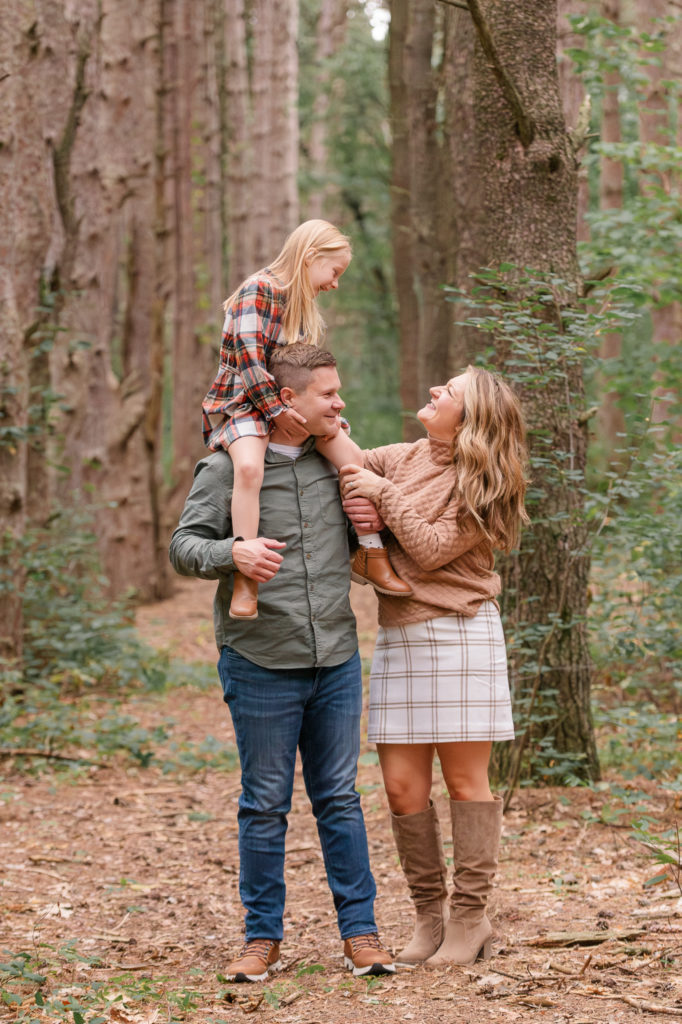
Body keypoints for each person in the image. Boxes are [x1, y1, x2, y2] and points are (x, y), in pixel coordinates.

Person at [170, 343, 395, 982]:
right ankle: (260, 939)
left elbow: (380, 530)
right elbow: (183, 547)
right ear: (287, 399)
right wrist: (232, 557)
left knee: (340, 801)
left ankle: (362, 935)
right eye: (328, 393)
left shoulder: (341, 464)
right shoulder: (227, 468)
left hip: (337, 659)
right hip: (260, 659)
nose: (341, 402)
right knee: (265, 804)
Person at [339, 366, 529, 968]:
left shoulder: (486, 483)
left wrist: (379, 494)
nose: (432, 392)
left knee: (465, 783)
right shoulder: (407, 454)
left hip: (462, 633)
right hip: (400, 635)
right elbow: (347, 458)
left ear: (471, 418)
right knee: (401, 788)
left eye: (447, 392)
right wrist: (319, 424)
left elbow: (426, 547)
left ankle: (470, 918)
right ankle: (430, 915)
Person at [201, 219, 409, 621]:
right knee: (247, 468)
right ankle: (247, 575)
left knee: (353, 458)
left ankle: (371, 552)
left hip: (289, 403)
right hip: (245, 402)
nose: (335, 284)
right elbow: (247, 360)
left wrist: (308, 411)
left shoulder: (303, 308)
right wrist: (278, 412)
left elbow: (305, 370)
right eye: (335, 272)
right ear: (311, 257)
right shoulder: (258, 290)